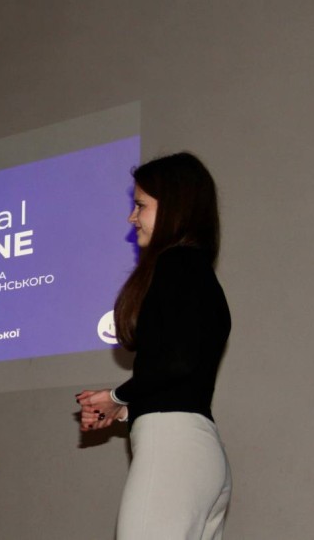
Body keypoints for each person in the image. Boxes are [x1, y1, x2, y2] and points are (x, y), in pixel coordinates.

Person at [76, 152, 232, 539]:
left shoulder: (174, 264)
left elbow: (177, 360)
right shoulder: (197, 272)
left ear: (175, 206)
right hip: (199, 454)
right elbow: (183, 368)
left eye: (141, 205)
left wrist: (117, 395)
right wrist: (125, 406)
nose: (132, 217)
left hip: (172, 450)